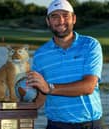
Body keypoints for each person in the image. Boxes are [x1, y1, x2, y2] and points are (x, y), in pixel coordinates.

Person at [26, 0, 103, 129]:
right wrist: (12, 103)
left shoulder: (90, 45)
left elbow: (88, 86)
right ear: (48, 21)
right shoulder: (40, 54)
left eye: (65, 15)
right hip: (56, 125)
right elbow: (40, 98)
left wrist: (49, 88)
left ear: (74, 19)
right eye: (54, 16)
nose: (60, 20)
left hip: (89, 124)